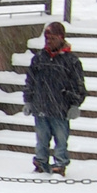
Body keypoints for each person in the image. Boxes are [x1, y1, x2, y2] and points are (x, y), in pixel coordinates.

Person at [21, 20, 86, 176]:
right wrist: (28, 100)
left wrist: (75, 104)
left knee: (61, 139)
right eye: (47, 39)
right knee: (41, 139)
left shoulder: (72, 61)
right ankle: (41, 162)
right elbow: (30, 81)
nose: (49, 42)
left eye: (53, 39)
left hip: (60, 108)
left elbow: (78, 85)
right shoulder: (38, 59)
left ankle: (60, 163)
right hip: (40, 106)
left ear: (61, 38)